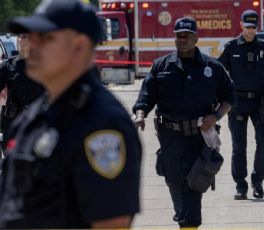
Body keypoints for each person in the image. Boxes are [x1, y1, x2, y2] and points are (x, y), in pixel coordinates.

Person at [0, 0, 142, 228]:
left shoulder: (101, 122)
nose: (31, 44)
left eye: (44, 37)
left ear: (79, 46)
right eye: (30, 35)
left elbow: (111, 224)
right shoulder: (37, 115)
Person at [133, 17, 234, 228]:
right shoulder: (161, 66)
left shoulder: (212, 67)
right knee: (173, 180)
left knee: (193, 183)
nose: (183, 39)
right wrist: (140, 114)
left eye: (188, 36)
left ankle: (189, 223)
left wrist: (215, 116)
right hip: (170, 136)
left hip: (199, 136)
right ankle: (184, 217)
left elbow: (229, 97)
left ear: (196, 38)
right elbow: (146, 96)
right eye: (179, 35)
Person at [218, 10, 264, 200]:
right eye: (247, 27)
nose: (250, 30)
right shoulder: (230, 47)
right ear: (241, 25)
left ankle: (257, 182)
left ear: (257, 27)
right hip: (237, 102)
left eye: (254, 27)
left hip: (261, 103)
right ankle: (240, 185)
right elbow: (219, 74)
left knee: (263, 143)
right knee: (239, 146)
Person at [0, 33, 45, 147]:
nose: (25, 40)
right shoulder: (7, 65)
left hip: (34, 120)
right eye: (23, 36)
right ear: (18, 40)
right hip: (12, 120)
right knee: (9, 154)